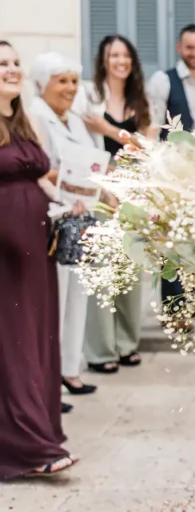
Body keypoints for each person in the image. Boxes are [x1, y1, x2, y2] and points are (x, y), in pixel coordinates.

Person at [0, 41, 78, 478]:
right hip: (4, 253)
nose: (12, 70)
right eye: (2, 64)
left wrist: (68, 199)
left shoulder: (24, 120)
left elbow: (37, 178)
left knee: (36, 336)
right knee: (12, 344)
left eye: (14, 63)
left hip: (36, 245)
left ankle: (43, 431)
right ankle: (27, 446)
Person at [77, 34, 156, 372]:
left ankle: (126, 344)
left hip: (132, 193)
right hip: (98, 192)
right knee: (100, 271)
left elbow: (149, 146)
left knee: (130, 271)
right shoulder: (88, 97)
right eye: (114, 56)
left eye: (126, 55)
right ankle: (100, 351)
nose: (121, 62)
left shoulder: (141, 100)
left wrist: (111, 130)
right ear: (103, 60)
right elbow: (82, 144)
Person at [29, 52, 99, 401]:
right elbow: (39, 169)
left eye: (74, 80)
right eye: (62, 81)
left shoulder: (76, 119)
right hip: (52, 218)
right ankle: (49, 382)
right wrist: (73, 176)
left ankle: (70, 370)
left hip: (82, 216)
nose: (71, 88)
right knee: (53, 301)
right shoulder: (36, 117)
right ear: (43, 84)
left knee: (78, 296)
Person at [147, 24, 195, 322]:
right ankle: (174, 311)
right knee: (171, 241)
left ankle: (192, 300)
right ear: (179, 48)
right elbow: (154, 126)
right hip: (172, 174)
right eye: (189, 47)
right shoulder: (163, 81)